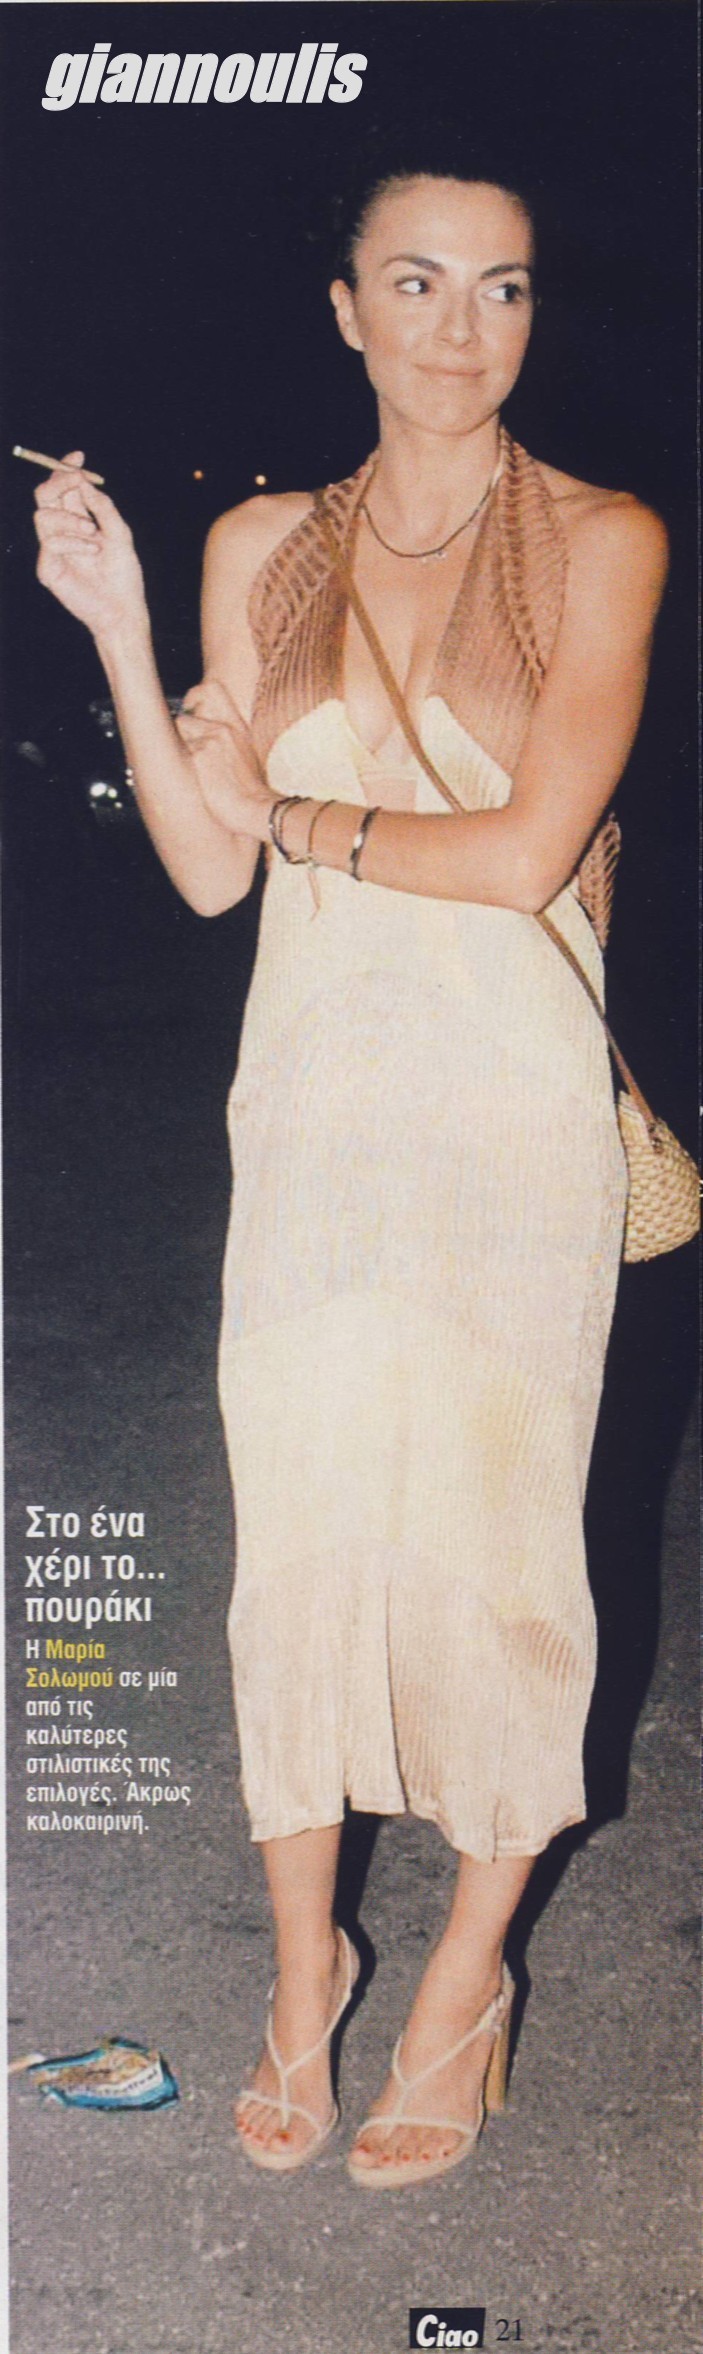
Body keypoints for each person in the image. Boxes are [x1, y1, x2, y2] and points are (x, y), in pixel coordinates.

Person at [33, 164, 668, 2189]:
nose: (462, 328)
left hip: (507, 1112)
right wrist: (124, 631)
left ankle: (466, 1975)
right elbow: (206, 867)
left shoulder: (605, 540)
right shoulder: (259, 547)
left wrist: (295, 812)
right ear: (344, 309)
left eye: (503, 287)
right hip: (309, 1106)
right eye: (417, 282)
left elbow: (524, 846)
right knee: (301, 1543)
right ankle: (306, 1970)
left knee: (499, 1553)